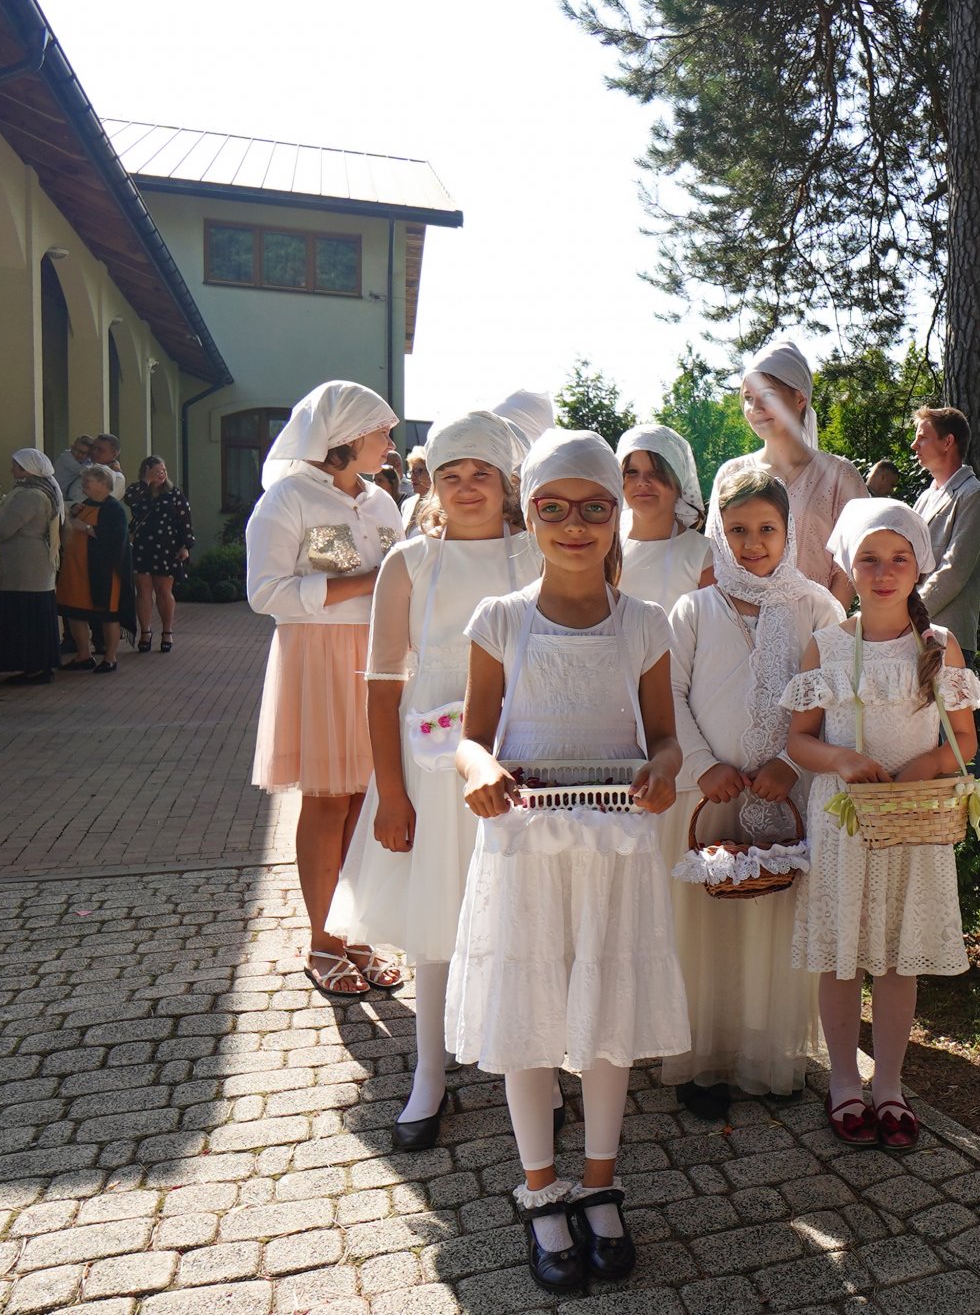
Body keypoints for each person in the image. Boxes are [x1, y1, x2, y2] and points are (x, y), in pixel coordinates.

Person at [450, 429, 686, 1295]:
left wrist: (665, 767)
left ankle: (599, 1181)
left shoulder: (646, 625)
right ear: (530, 512)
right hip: (525, 847)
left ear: (616, 515)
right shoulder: (499, 620)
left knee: (607, 1005)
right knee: (530, 1007)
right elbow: (473, 734)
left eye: (595, 509)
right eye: (556, 508)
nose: (576, 526)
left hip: (615, 849)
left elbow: (661, 735)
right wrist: (477, 771)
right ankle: (540, 1187)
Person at [327, 411, 538, 1152]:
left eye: (482, 473)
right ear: (432, 484)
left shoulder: (538, 550)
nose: (467, 487)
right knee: (438, 925)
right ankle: (431, 1070)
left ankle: (532, 1065)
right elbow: (383, 684)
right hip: (433, 768)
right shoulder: (410, 562)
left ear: (509, 482)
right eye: (452, 475)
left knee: (525, 918)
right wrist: (390, 792)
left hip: (525, 761)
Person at [783, 498, 980, 1151]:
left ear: (918, 565)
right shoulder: (830, 643)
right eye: (868, 558)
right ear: (847, 562)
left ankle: (891, 1084)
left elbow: (964, 738)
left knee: (899, 959)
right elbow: (799, 741)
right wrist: (841, 758)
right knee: (843, 958)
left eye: (899, 557)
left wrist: (926, 765)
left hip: (913, 824)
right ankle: (845, 1078)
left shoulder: (938, 645)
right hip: (846, 827)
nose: (883, 570)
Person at [663, 465, 840, 1118]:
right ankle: (703, 1057)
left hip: (784, 801)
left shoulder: (817, 608)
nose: (753, 542)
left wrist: (791, 764)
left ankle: (768, 1055)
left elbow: (830, 701)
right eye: (737, 529)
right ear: (717, 530)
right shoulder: (694, 609)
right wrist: (704, 762)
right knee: (708, 926)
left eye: (767, 528)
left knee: (772, 922)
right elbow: (670, 696)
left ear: (789, 532)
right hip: (708, 799)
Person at [245, 381, 406, 999]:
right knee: (329, 801)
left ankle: (359, 930)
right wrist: (360, 584)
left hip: (381, 657)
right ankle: (323, 940)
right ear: (345, 436)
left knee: (371, 800)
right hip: (318, 657)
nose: (390, 444)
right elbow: (265, 593)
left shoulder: (382, 503)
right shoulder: (288, 499)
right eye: (381, 431)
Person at [713, 339, 868, 605]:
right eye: (748, 398)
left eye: (767, 395)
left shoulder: (840, 475)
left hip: (816, 628)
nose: (755, 409)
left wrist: (823, 631)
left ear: (799, 398)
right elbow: (717, 556)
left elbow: (854, 559)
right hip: (740, 627)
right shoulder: (732, 473)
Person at [0, 448, 64, 685]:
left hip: (25, 565)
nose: (12, 469)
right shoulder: (43, 491)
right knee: (33, 616)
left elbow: (6, 528)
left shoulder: (30, 495)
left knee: (24, 617)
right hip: (31, 563)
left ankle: (34, 668)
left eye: (15, 465)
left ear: (26, 469)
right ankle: (36, 666)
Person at [908, 405, 980, 659]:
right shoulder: (924, 498)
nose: (914, 445)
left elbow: (953, 570)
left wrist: (910, 614)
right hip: (911, 633)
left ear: (948, 442)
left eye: (922, 437)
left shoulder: (974, 495)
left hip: (948, 638)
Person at [615, 423, 714, 608]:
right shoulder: (605, 543)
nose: (643, 482)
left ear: (679, 480)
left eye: (656, 472)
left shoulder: (704, 555)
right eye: (631, 472)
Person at [55, 464, 137, 674]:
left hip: (103, 572)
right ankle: (84, 654)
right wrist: (72, 515)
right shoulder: (85, 505)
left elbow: (116, 539)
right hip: (77, 570)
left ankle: (110, 658)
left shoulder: (114, 509)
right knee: (75, 612)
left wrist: (89, 529)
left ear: (103, 483)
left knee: (109, 615)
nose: (83, 486)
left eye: (88, 482)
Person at [128, 456, 194, 654]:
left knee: (164, 591)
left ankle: (167, 632)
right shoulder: (139, 491)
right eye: (157, 471)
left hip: (167, 547)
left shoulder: (174, 495)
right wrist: (145, 483)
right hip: (143, 546)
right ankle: (145, 633)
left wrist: (185, 545)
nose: (161, 474)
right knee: (143, 590)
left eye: (163, 470)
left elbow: (185, 520)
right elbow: (129, 500)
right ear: (146, 471)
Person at [398, 445, 430, 538]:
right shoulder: (407, 504)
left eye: (419, 471)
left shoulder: (440, 506)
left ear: (431, 472)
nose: (412, 477)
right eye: (411, 472)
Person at [88, 433, 127, 500]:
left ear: (114, 454)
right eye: (93, 448)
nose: (94, 452)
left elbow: (102, 501)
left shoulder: (117, 478)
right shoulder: (83, 465)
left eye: (100, 450)